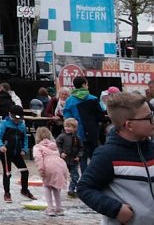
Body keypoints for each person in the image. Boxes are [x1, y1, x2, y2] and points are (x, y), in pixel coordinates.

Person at [78, 92, 154, 224]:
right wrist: (115, 209)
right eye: (149, 117)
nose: (153, 120)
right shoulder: (107, 155)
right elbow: (85, 188)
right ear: (129, 125)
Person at [63, 76, 106, 172]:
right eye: (87, 84)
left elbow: (67, 117)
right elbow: (100, 115)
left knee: (81, 156)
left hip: (77, 133)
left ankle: (84, 177)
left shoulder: (69, 100)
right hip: (92, 131)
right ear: (84, 85)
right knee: (94, 156)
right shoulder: (93, 99)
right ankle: (94, 176)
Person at [0, 104, 36, 203]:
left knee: (25, 171)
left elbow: (25, 138)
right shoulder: (4, 123)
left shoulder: (22, 124)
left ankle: (24, 190)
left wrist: (24, 149)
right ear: (10, 115)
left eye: (19, 118)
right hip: (5, 153)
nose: (17, 121)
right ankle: (7, 193)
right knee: (7, 173)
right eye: (15, 118)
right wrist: (1, 146)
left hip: (17, 153)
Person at [33, 126, 70, 217]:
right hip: (60, 166)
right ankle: (59, 208)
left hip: (48, 166)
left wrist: (41, 170)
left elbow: (39, 159)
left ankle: (50, 209)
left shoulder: (37, 147)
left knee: (47, 186)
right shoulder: (54, 146)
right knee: (55, 187)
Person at [56, 117, 82, 198]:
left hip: (74, 160)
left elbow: (81, 148)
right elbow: (57, 145)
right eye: (66, 126)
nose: (67, 128)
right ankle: (57, 189)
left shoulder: (77, 138)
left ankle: (71, 190)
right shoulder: (62, 136)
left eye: (69, 126)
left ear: (75, 128)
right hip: (64, 160)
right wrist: (61, 153)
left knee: (75, 176)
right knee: (61, 175)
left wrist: (78, 156)